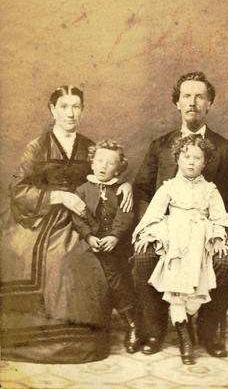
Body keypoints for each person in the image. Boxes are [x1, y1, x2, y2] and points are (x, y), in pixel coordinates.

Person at [0, 86, 132, 364]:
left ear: (82, 111)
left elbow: (109, 173)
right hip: (43, 214)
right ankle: (48, 337)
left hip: (85, 214)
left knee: (86, 258)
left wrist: (127, 185)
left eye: (76, 107)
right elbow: (19, 188)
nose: (70, 113)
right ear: (52, 110)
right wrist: (58, 196)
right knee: (56, 257)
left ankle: (85, 338)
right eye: (64, 107)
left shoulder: (90, 146)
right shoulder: (37, 146)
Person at [133, 71, 228, 357]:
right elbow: (142, 191)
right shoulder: (160, 146)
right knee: (143, 256)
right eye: (186, 96)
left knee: (227, 262)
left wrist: (226, 233)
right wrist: (150, 230)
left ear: (209, 103)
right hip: (166, 229)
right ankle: (155, 331)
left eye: (200, 96)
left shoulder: (226, 149)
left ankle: (208, 332)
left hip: (208, 232)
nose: (193, 102)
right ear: (177, 103)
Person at [132, 134, 228, 364]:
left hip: (200, 239)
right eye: (186, 156)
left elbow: (220, 217)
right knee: (176, 289)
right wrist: (148, 234)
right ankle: (185, 340)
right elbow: (154, 214)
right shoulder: (168, 187)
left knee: (195, 293)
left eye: (197, 158)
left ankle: (190, 320)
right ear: (177, 159)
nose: (191, 162)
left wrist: (218, 236)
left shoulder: (210, 190)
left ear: (205, 162)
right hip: (176, 241)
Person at [72, 140, 140, 354]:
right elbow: (78, 217)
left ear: (119, 167)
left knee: (115, 279)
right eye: (99, 161)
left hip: (115, 245)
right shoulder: (82, 189)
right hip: (90, 243)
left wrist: (115, 236)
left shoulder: (121, 189)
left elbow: (126, 215)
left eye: (110, 163)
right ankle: (90, 327)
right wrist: (89, 236)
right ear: (91, 163)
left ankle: (132, 325)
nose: (103, 166)